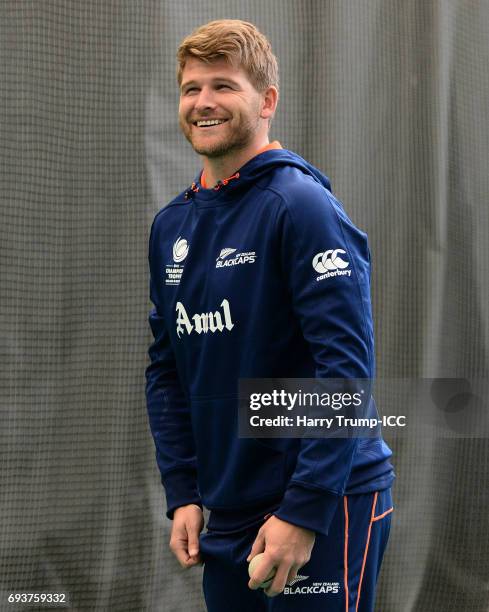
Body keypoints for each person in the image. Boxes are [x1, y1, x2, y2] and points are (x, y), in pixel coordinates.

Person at [145, 19, 395, 611]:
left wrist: (302, 511)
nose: (203, 102)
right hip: (227, 514)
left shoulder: (300, 206)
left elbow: (345, 368)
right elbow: (166, 371)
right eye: (191, 88)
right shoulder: (170, 227)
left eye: (224, 86)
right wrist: (184, 492)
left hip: (324, 504)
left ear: (267, 101)